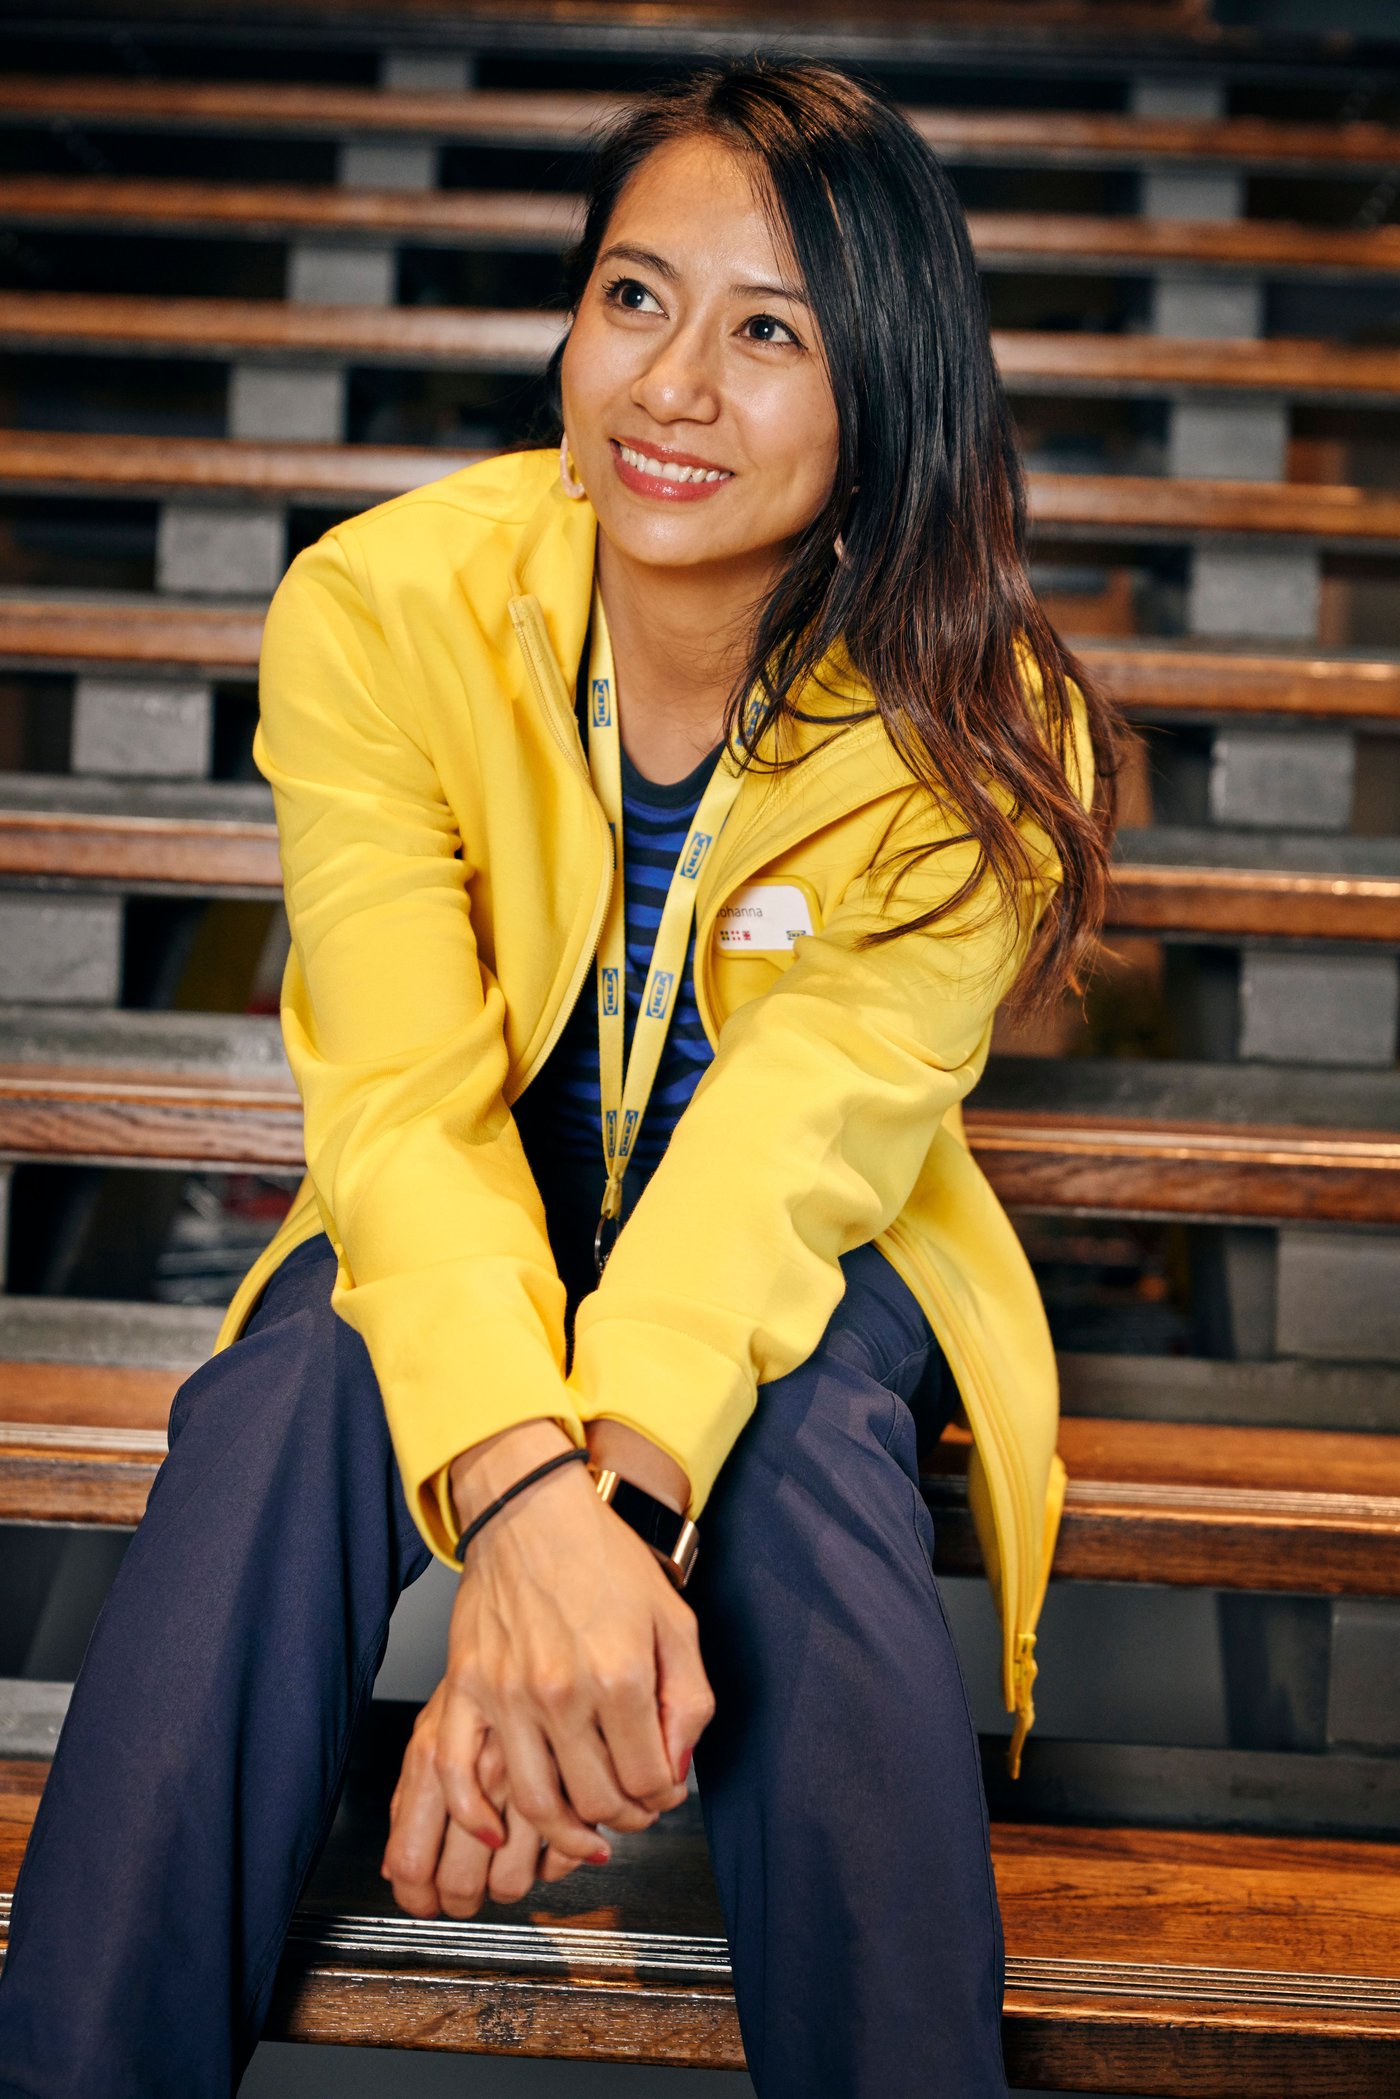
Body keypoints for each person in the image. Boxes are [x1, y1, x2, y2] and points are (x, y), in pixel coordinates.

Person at [0, 57, 1120, 2099]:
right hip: (479, 1190)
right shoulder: (381, 607)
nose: (672, 386)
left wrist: (584, 1521)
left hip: (805, 1249)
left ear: (883, 387)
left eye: (767, 329)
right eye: (634, 297)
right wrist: (527, 1504)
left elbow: (795, 1151)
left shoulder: (984, 724)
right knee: (282, 1401)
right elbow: (405, 1106)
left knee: (798, 1459)